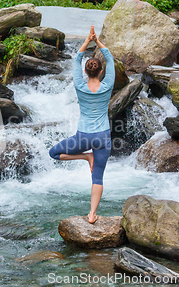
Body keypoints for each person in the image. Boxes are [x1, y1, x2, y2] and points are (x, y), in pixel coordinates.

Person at [49, 25, 115, 224]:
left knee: (53, 153)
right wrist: (98, 42)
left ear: (86, 72)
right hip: (103, 137)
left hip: (83, 137)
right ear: (101, 71)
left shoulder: (79, 84)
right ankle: (92, 214)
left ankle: (85, 156)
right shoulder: (108, 84)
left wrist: (87, 41)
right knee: (98, 178)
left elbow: (77, 59)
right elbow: (110, 58)